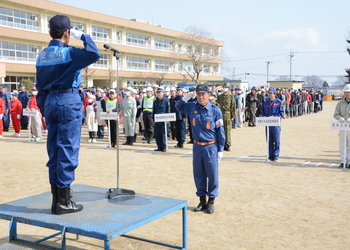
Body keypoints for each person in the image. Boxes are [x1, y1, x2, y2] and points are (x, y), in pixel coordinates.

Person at [36, 15, 100, 215]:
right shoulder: (69, 53)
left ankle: (57, 200)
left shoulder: (42, 55)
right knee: (67, 151)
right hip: (67, 100)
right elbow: (93, 53)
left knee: (54, 151)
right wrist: (83, 36)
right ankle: (64, 202)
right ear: (67, 33)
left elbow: (40, 88)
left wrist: (46, 108)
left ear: (49, 32)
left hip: (49, 102)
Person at [175, 84, 225, 214]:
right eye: (199, 94)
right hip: (197, 146)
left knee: (212, 175)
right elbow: (178, 106)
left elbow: (221, 130)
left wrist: (220, 149)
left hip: (211, 147)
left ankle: (211, 201)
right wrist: (185, 97)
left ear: (209, 95)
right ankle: (202, 200)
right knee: (198, 174)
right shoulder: (192, 107)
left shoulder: (215, 110)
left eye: (204, 94)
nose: (201, 97)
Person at [261, 87, 284, 162]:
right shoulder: (265, 103)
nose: (270, 95)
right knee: (269, 140)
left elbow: (281, 113)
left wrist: (274, 117)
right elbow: (263, 112)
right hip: (268, 124)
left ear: (274, 94)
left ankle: (276, 155)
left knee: (276, 140)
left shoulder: (279, 102)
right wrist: (263, 116)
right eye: (269, 93)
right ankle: (270, 155)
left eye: (271, 93)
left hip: (276, 124)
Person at [333, 84, 350, 168]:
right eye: (346, 92)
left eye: (349, 92)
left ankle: (349, 162)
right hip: (342, 127)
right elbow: (336, 114)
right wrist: (340, 118)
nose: (347, 94)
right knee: (342, 144)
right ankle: (343, 161)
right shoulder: (340, 103)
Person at [217, 82, 235, 151]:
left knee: (227, 130)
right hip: (221, 114)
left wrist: (232, 115)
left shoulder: (231, 96)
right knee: (221, 130)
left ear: (228, 88)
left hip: (228, 114)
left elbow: (233, 106)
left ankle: (228, 144)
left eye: (226, 87)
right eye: (223, 87)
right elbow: (218, 106)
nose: (224, 88)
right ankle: (222, 144)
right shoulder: (220, 97)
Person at [153, 88, 170, 152]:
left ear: (163, 93)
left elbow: (168, 110)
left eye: (159, 93)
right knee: (157, 134)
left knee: (163, 134)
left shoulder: (166, 101)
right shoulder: (155, 101)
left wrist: (167, 119)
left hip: (163, 120)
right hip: (157, 120)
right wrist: (153, 119)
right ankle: (159, 146)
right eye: (157, 93)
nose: (158, 94)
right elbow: (154, 111)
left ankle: (164, 147)